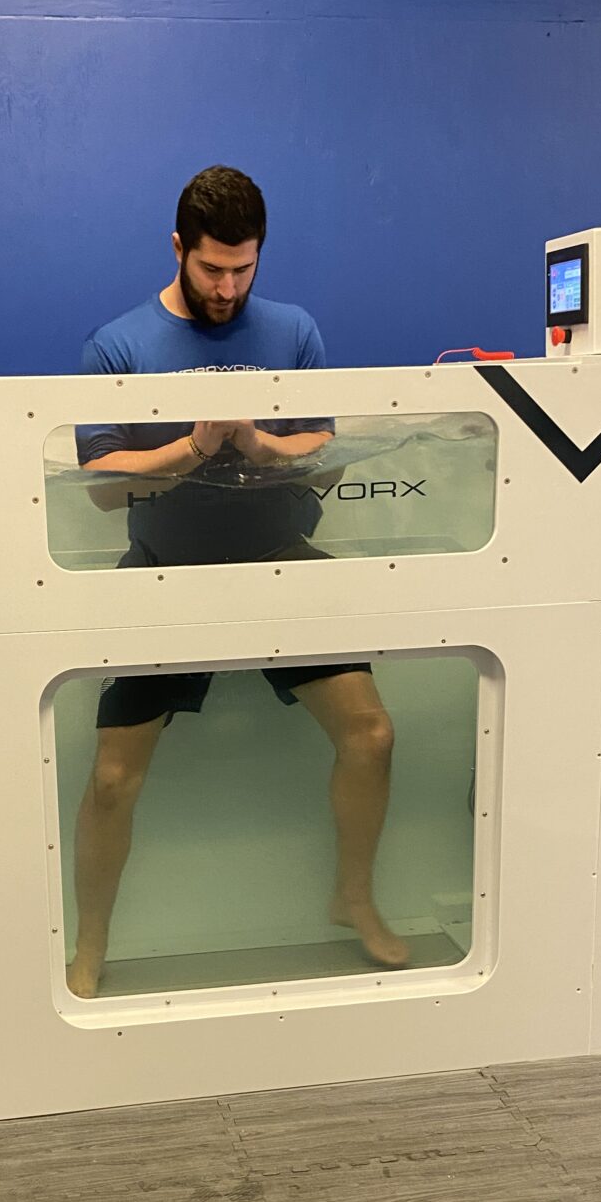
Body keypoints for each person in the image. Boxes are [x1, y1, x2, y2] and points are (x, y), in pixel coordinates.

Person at [67, 165, 407, 997]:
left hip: (277, 560)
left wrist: (256, 443)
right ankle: (89, 944)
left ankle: (352, 898)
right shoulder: (117, 346)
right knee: (111, 779)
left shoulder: (295, 331)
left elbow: (324, 455)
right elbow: (102, 485)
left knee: (372, 735)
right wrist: (193, 446)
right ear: (178, 248)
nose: (227, 288)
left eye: (243, 269)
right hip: (166, 572)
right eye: (212, 268)